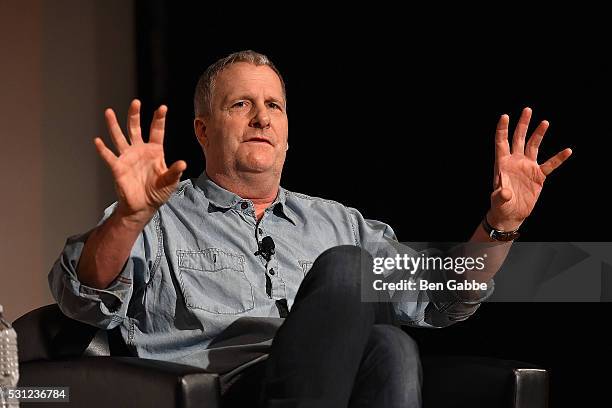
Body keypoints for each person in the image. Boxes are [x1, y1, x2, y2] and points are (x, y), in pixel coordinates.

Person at [48, 50, 572, 407]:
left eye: (274, 106)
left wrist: (500, 226)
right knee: (348, 267)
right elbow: (83, 295)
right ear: (203, 131)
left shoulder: (336, 221)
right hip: (223, 393)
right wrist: (130, 216)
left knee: (392, 347)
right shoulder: (160, 218)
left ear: (288, 132)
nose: (262, 118)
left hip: (332, 386)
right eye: (241, 105)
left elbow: (440, 296)